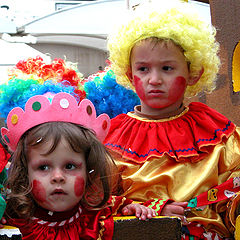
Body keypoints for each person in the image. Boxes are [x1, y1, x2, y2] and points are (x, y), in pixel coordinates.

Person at [103, 0, 240, 239]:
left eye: (167, 68)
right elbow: (96, 202)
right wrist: (150, 210)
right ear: (129, 74)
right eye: (143, 69)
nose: (154, 79)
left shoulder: (216, 132)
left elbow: (233, 190)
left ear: (193, 73)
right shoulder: (111, 137)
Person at [0, 92, 155, 240]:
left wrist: (137, 210)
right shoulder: (13, 218)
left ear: (88, 170)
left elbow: (131, 206)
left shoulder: (96, 212)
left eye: (69, 166)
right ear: (25, 172)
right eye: (44, 167)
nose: (58, 177)